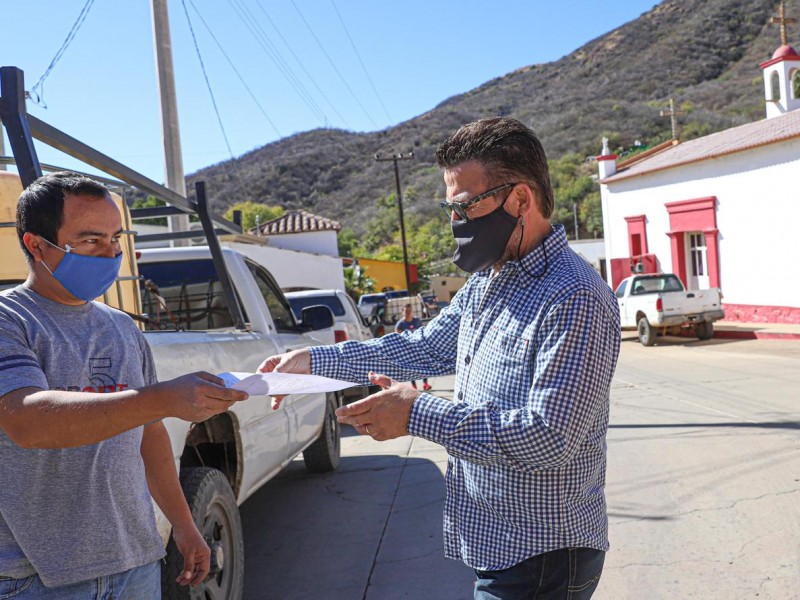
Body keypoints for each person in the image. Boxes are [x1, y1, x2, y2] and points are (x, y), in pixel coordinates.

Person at [259, 117, 620, 599]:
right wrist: (315, 362)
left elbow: (548, 439)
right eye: (450, 209)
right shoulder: (490, 280)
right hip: (501, 546)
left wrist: (416, 413)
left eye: (465, 206)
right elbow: (424, 347)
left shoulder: (574, 297)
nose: (456, 222)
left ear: (520, 200)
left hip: (542, 556)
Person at [0, 172, 249, 599]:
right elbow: (27, 421)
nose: (110, 253)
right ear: (35, 244)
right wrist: (163, 397)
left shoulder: (121, 328)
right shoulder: (12, 320)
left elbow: (149, 436)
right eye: (91, 240)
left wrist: (185, 528)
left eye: (116, 238)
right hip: (37, 578)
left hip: (135, 563)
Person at [394, 303, 431, 390]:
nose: (408, 312)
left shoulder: (417, 321)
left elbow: (423, 332)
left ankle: (425, 384)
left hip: (418, 347)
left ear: (412, 311)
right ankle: (414, 385)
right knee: (412, 368)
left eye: (410, 310)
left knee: (424, 366)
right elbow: (397, 337)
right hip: (407, 349)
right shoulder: (400, 324)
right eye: (406, 311)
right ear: (402, 312)